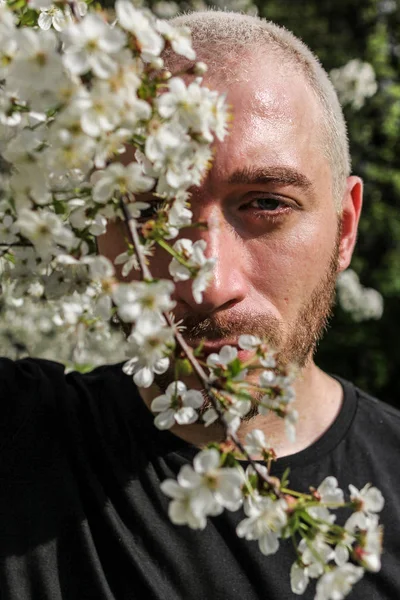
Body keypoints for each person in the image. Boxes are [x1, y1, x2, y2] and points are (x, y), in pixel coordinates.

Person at [1, 10, 399, 600]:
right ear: (101, 229)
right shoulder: (18, 445)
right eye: (151, 210)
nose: (208, 284)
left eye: (266, 202)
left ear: (345, 230)